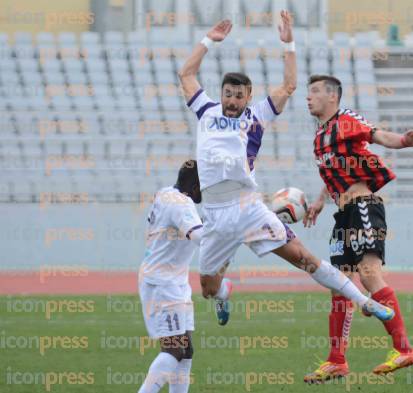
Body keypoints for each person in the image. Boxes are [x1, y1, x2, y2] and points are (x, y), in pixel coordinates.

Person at [177, 13, 394, 327]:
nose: (232, 100)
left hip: (248, 207)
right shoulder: (206, 111)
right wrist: (208, 40)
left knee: (303, 258)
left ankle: (366, 302)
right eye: (228, 94)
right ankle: (225, 292)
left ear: (248, 97)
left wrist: (289, 42)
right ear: (221, 94)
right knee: (208, 290)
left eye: (239, 95)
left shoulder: (257, 115)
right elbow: (186, 73)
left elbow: (290, 85)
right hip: (215, 214)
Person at [302, 75, 413, 383]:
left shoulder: (345, 120)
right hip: (342, 214)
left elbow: (376, 135)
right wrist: (320, 201)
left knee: (369, 274)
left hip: (363, 207)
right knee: (340, 285)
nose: (308, 98)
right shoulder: (320, 138)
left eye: (315, 92)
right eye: (308, 93)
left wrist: (404, 142)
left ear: (332, 97)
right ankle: (337, 360)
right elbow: (332, 171)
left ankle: (403, 349)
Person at [138, 160, 203, 393]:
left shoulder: (166, 192)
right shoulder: (182, 204)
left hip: (171, 281)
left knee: (185, 351)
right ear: (196, 186)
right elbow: (200, 238)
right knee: (174, 349)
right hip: (163, 284)